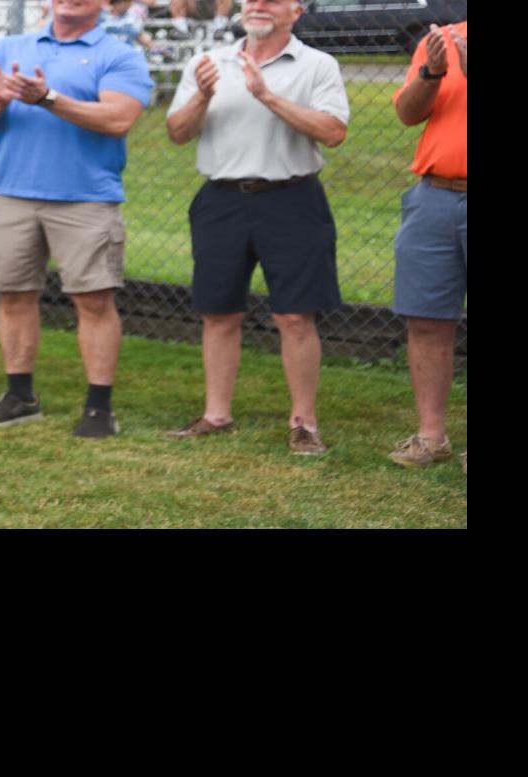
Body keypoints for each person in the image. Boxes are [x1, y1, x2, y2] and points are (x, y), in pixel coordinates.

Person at [0, 0, 152, 437]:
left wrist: (47, 98)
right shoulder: (9, 45)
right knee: (13, 296)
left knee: (95, 300)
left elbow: (119, 119)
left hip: (85, 198)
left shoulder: (119, 53)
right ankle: (20, 397)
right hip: (10, 193)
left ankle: (99, 409)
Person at [164, 0, 345, 454]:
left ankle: (304, 422)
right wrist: (204, 96)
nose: (258, 5)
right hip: (220, 200)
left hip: (292, 199)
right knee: (219, 312)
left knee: (295, 314)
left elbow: (332, 131)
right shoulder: (209, 63)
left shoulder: (317, 65)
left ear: (297, 11)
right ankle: (216, 414)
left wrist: (267, 95)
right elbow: (177, 132)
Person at [388, 20, 465, 469]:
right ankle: (431, 435)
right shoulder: (443, 38)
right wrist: (431, 73)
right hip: (434, 195)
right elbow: (408, 113)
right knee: (427, 319)